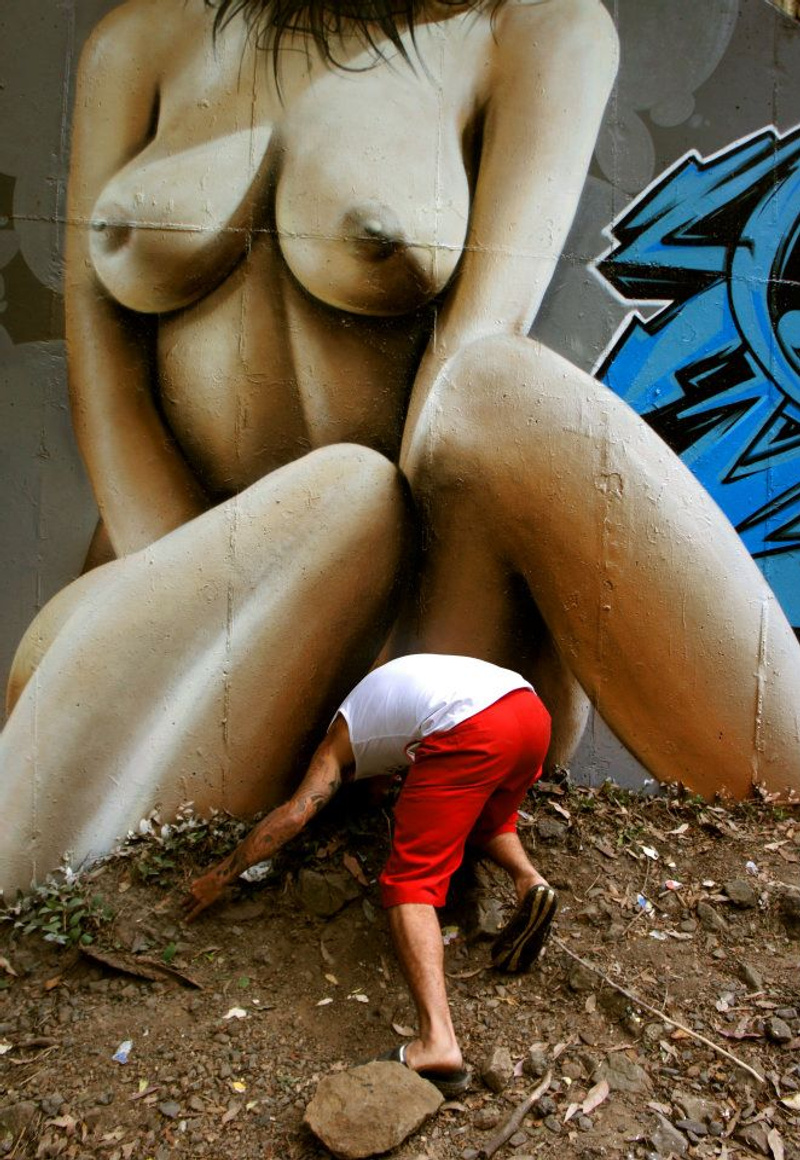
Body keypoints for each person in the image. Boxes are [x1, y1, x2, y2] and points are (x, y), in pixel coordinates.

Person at [2, 0, 800, 893]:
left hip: (427, 620)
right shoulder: (140, 40)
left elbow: (470, 367)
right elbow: (105, 387)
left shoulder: (532, 30)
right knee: (336, 506)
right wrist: (249, 597)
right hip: (174, 612)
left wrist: (385, 687)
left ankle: (787, 794)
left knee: (478, 400)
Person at [183, 654, 557, 1093]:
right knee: (488, 821)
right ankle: (530, 882)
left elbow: (295, 814)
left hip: (471, 725)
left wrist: (219, 877)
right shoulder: (381, 708)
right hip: (529, 713)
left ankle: (438, 1041)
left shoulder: (337, 741)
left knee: (411, 882)